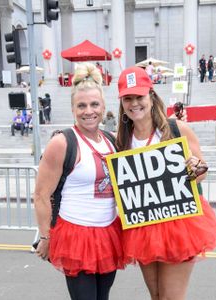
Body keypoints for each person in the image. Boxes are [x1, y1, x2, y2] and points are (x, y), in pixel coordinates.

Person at [116, 66, 216, 300]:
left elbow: (203, 171)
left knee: (171, 298)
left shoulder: (177, 129)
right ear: (122, 103)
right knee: (156, 296)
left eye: (139, 96)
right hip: (144, 226)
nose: (134, 103)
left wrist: (195, 167)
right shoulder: (122, 140)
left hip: (178, 223)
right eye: (128, 98)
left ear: (151, 95)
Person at [34, 62, 124, 300]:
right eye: (81, 105)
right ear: (73, 109)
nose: (88, 111)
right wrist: (45, 236)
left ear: (103, 106)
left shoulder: (112, 140)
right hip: (76, 234)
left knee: (102, 297)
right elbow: (41, 194)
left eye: (94, 104)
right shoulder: (62, 142)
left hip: (108, 232)